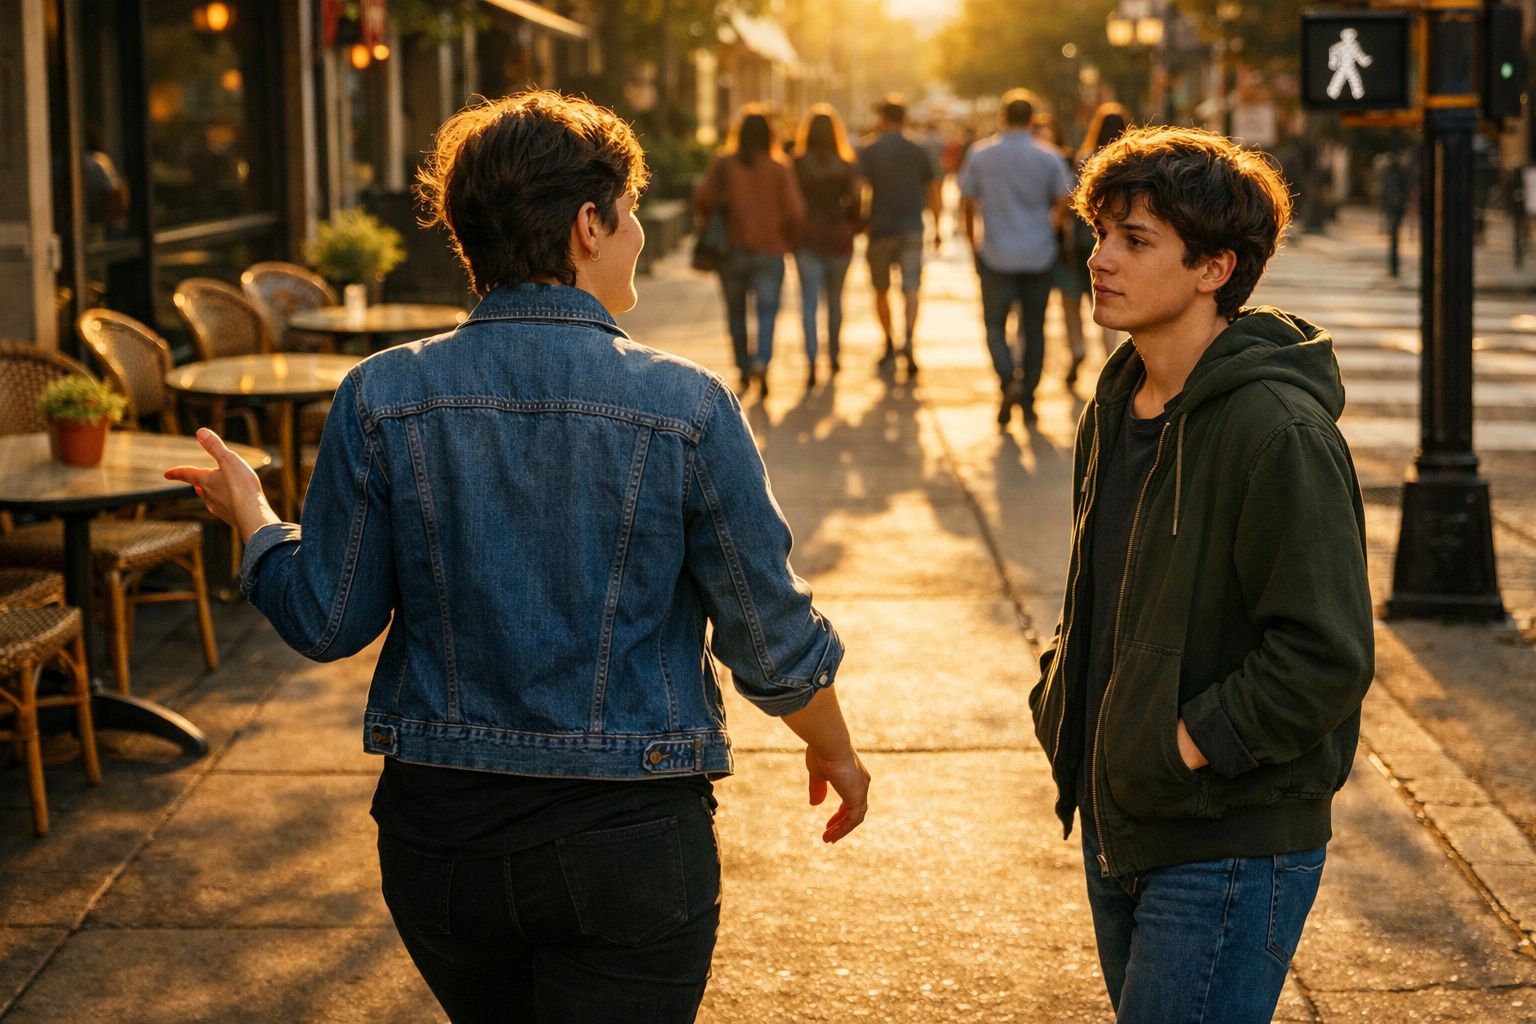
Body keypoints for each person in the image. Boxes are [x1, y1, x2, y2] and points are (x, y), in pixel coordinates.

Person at [167, 90, 869, 1024]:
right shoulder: (688, 406)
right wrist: (838, 751)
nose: (640, 243)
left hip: (441, 848)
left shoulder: (381, 396)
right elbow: (770, 640)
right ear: (588, 223)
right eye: (627, 219)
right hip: (631, 846)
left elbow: (329, 620)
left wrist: (256, 524)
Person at [1028, 125, 1374, 1023]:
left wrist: (1185, 743)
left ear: (1214, 268)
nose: (1099, 258)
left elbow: (1324, 655)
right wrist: (1063, 694)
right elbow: (1100, 592)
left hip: (1225, 840)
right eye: (1102, 233)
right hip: (1121, 818)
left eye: (1135, 242)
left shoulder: (1278, 432)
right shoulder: (1118, 399)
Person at [957, 88, 1071, 426]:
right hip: (1038, 253)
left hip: (996, 253)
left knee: (995, 325)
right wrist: (1050, 223)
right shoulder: (1048, 156)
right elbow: (1065, 198)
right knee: (1034, 328)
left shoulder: (981, 154)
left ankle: (1008, 380)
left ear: (1002, 118)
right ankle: (1029, 395)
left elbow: (965, 200)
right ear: (1033, 120)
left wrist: (971, 240)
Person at [695, 105, 805, 398]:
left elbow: (703, 199)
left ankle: (743, 369)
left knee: (736, 313)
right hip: (770, 251)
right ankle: (762, 361)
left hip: (731, 251)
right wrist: (786, 240)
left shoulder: (724, 164)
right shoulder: (779, 167)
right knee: (767, 311)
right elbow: (795, 211)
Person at [857, 94, 941, 375]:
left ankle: (889, 341)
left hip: (880, 228)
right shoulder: (919, 149)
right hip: (912, 226)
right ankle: (909, 339)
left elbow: (860, 190)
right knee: (911, 287)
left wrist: (859, 220)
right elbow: (934, 189)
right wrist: (938, 226)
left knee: (881, 288)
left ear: (883, 119)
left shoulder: (870, 150)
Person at [792, 104, 861, 388]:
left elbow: (792, 203)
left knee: (809, 302)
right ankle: (834, 355)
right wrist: (851, 225)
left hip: (808, 238)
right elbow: (856, 203)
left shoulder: (796, 164)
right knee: (835, 301)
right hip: (838, 238)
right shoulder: (845, 163)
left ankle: (811, 361)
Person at [1071, 102, 1133, 366]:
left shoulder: (1085, 159)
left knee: (1080, 295)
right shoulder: (1132, 162)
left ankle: (1077, 347)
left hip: (1084, 238)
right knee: (1111, 296)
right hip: (1120, 240)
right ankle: (1110, 357)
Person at [1030, 112, 1088, 388]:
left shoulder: (1067, 160)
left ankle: (1077, 350)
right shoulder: (1029, 162)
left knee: (1072, 300)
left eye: (1047, 131)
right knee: (1056, 306)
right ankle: (1071, 350)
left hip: (1066, 248)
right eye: (1037, 131)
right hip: (1039, 247)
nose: (1043, 136)